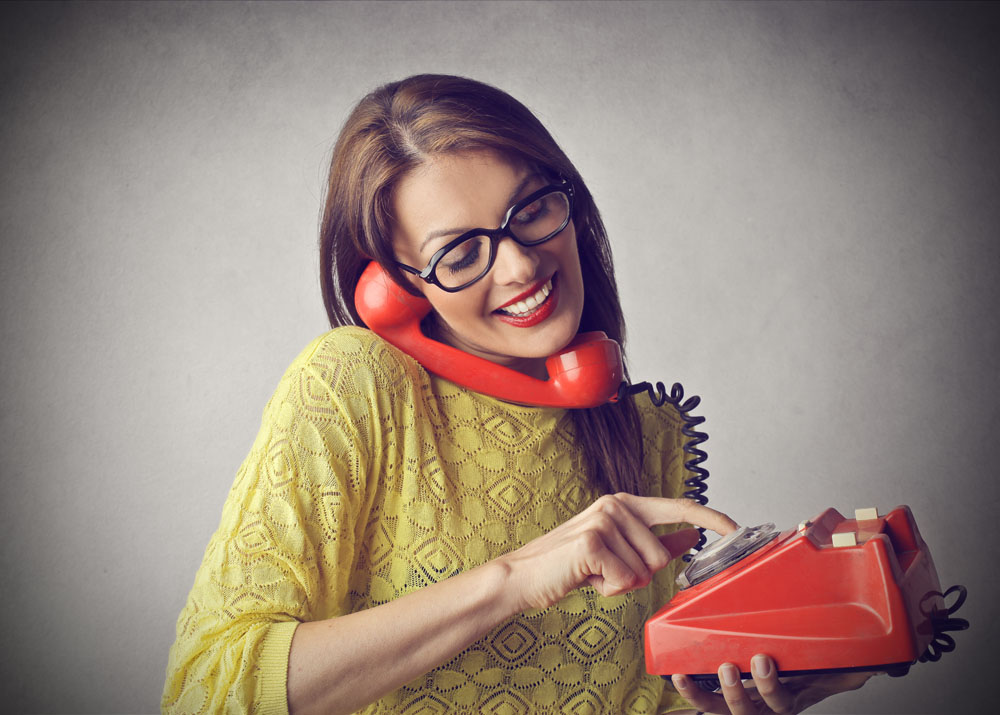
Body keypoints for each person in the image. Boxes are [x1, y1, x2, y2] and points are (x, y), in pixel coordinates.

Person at [163, 74, 871, 714]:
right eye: (460, 253)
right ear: (397, 289)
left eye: (530, 209)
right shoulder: (355, 386)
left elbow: (634, 697)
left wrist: (753, 696)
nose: (522, 265)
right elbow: (207, 692)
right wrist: (512, 580)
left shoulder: (643, 430)